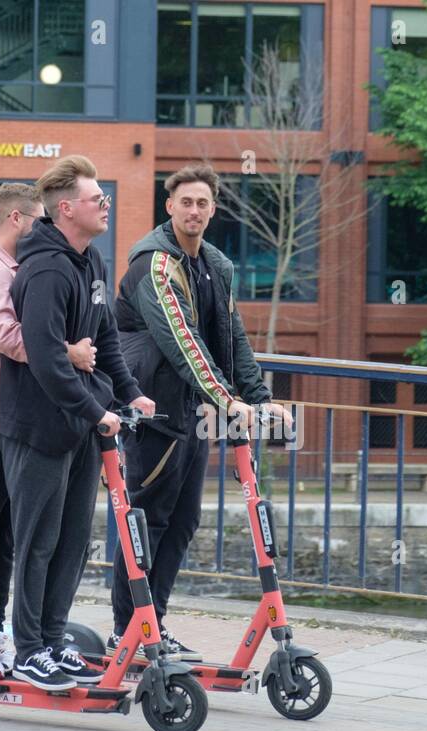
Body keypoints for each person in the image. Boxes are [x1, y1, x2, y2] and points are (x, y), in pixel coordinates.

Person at [110, 163, 292, 661]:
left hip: (191, 411)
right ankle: (127, 629)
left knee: (183, 519)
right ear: (169, 206)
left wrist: (256, 397)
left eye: (203, 203)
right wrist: (226, 399)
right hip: (152, 409)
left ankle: (154, 625)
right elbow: (181, 341)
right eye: (186, 202)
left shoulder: (215, 264)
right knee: (147, 519)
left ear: (213, 210)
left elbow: (231, 339)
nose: (194, 210)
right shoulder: (154, 264)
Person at [0, 155, 155, 690]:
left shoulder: (91, 262)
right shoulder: (45, 269)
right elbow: (43, 358)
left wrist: (131, 393)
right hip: (40, 426)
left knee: (71, 539)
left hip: (85, 424)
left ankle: (54, 637)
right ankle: (28, 650)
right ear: (66, 209)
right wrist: (98, 410)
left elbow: (105, 337)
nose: (106, 206)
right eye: (97, 199)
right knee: (37, 539)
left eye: (105, 198)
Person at [0, 183, 97, 679]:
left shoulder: (15, 268)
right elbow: (5, 337)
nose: (43, 230)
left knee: (7, 533)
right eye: (37, 222)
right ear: (15, 218)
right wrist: (66, 352)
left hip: (6, 419)